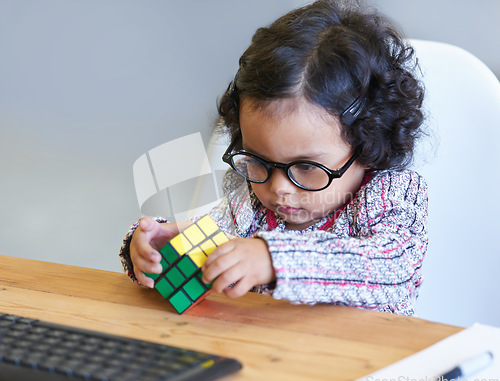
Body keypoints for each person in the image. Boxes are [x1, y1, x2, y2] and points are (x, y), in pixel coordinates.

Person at [119, 0, 428, 316]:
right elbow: (210, 244)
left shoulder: (391, 194)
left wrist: (272, 259)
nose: (278, 187)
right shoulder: (250, 202)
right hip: (266, 354)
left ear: (369, 143)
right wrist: (157, 249)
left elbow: (394, 266)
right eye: (259, 160)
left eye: (306, 166)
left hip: (364, 357)